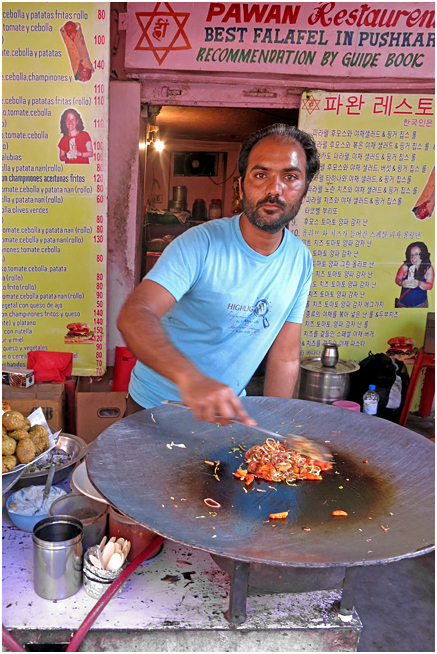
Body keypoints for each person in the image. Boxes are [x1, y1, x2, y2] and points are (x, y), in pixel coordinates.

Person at [117, 123, 319, 424]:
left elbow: (285, 357)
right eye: (260, 175)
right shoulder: (200, 244)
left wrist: (274, 426)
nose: (274, 189)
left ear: (304, 191)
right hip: (155, 410)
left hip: (227, 415)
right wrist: (191, 380)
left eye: (290, 177)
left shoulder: (300, 260)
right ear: (241, 187)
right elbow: (135, 315)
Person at [395, 241, 434, 308]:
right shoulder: (405, 267)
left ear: (423, 255)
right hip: (403, 304)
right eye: (412, 255)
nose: (414, 257)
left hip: (421, 304)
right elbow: (397, 279)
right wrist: (402, 283)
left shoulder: (428, 268)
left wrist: (419, 283)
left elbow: (430, 286)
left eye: (417, 254)